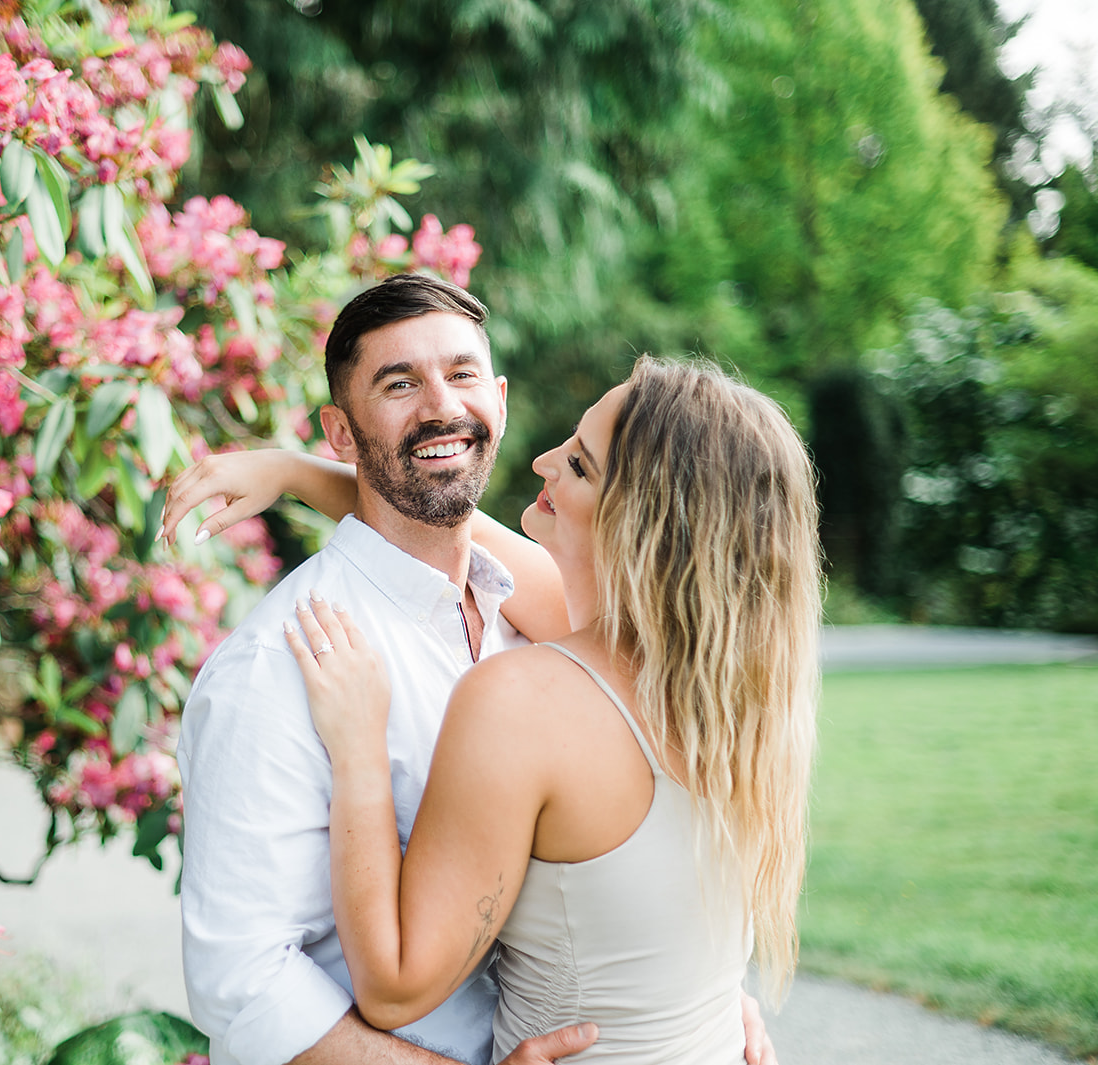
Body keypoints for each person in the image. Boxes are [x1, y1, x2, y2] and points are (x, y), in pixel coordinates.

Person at [164, 274, 778, 1065]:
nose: (441, 406)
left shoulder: (539, 615)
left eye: (460, 375)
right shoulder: (279, 663)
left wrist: (695, 992)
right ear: (342, 433)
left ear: (499, 396)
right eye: (398, 383)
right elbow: (243, 987)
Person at [280, 357, 820, 1061]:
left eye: (580, 465)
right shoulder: (736, 692)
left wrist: (358, 749)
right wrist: (294, 474)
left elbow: (394, 984)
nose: (541, 459)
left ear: (642, 526)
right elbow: (450, 536)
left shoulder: (523, 701)